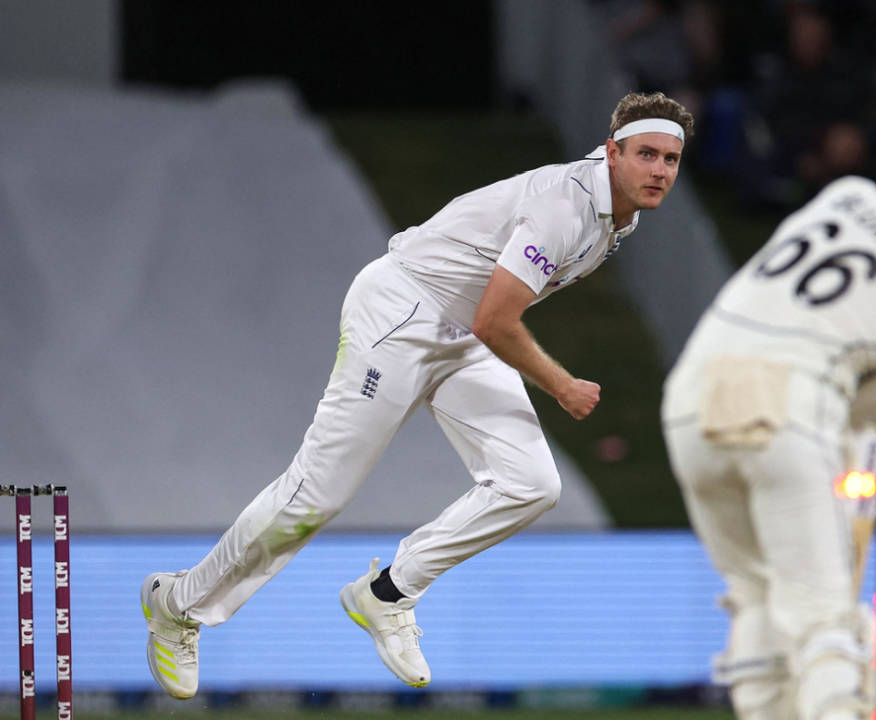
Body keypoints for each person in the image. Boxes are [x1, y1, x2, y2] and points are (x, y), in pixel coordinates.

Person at [139, 92, 694, 698]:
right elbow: (496, 321)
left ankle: (387, 594)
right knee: (315, 497)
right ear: (611, 152)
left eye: (670, 159)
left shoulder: (622, 215)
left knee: (532, 484)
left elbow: (486, 319)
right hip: (402, 314)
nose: (660, 171)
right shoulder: (565, 207)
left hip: (463, 331)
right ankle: (179, 605)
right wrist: (560, 385)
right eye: (646, 154)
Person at [662, 168, 876, 720]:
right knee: (824, 619)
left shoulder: (849, 194)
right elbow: (856, 412)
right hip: (784, 410)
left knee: (755, 597)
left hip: (689, 397)